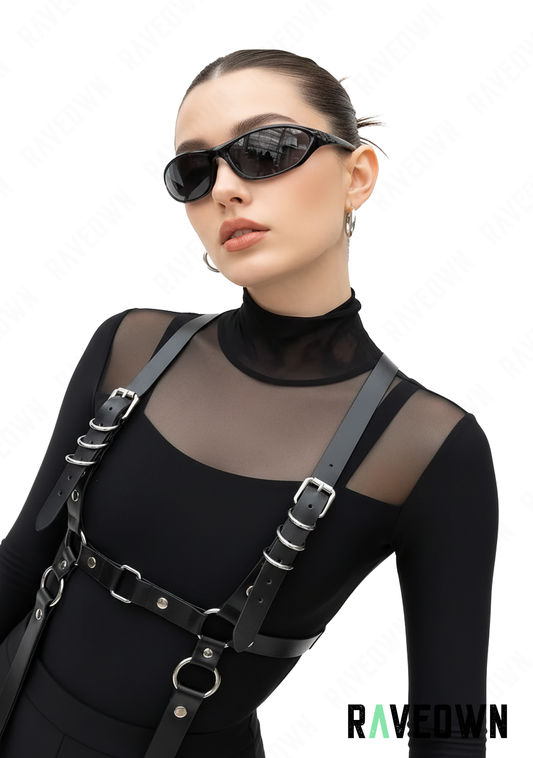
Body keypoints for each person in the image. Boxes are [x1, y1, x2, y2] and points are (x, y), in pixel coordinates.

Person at [0, 49, 498, 757]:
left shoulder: (428, 448)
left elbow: (450, 721)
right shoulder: (130, 348)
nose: (226, 190)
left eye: (265, 150)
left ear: (357, 176)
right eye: (195, 172)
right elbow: (22, 566)